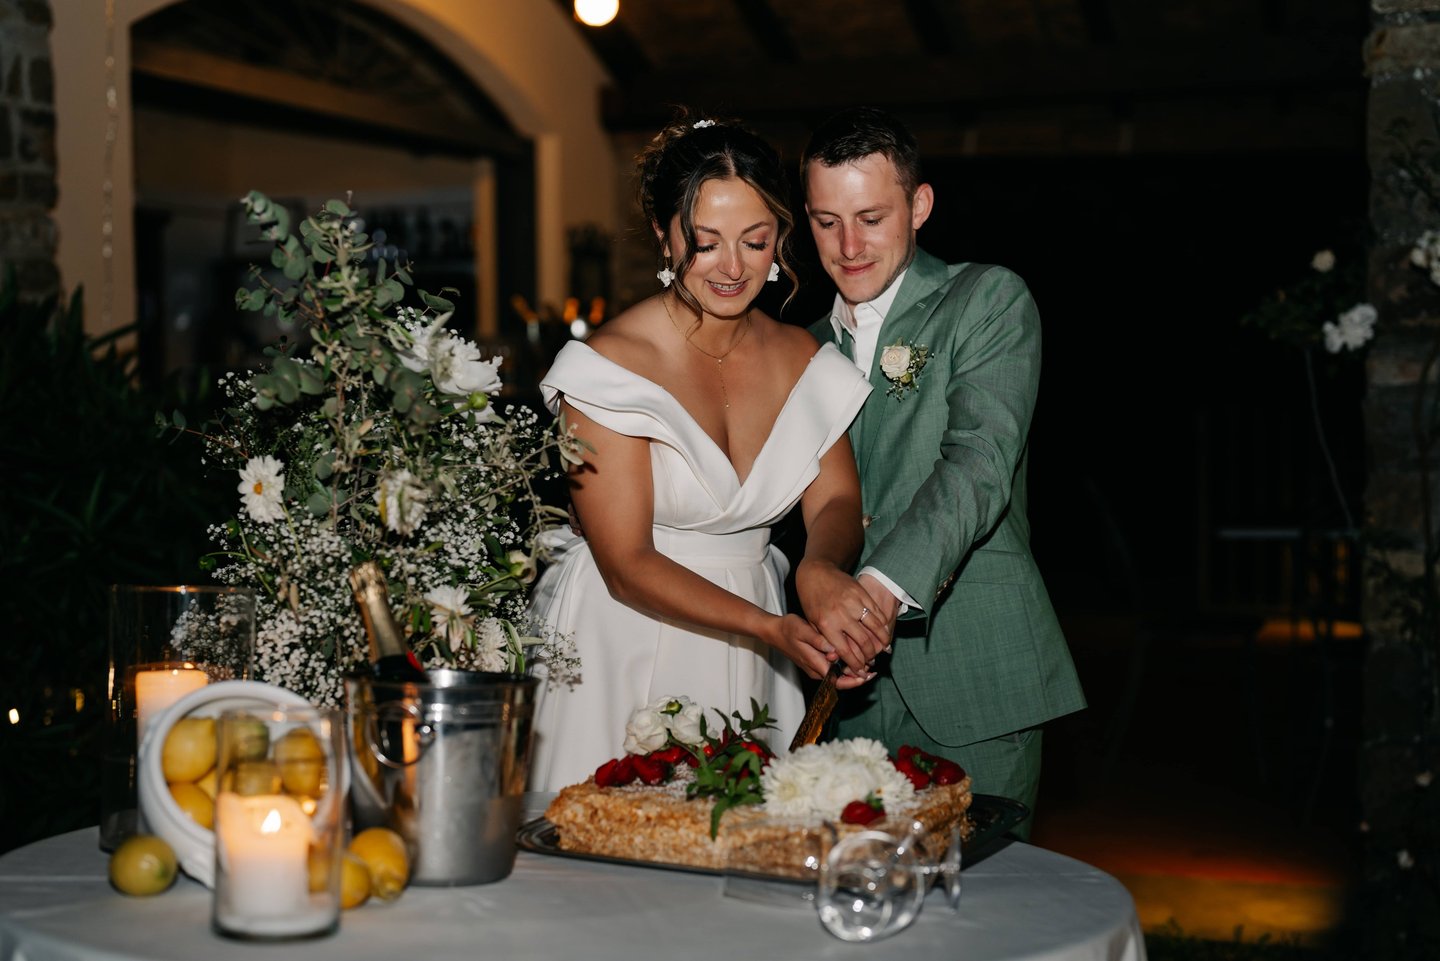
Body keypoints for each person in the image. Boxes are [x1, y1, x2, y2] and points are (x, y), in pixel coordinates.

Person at [526, 113, 888, 792]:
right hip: (626, 629)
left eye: (755, 241)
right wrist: (770, 627)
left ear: (780, 236)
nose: (732, 267)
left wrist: (818, 567)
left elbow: (837, 497)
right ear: (664, 235)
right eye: (705, 242)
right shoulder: (608, 366)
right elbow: (626, 564)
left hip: (762, 624)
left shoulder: (803, 356)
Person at [797, 106, 1085, 834]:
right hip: (842, 691)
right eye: (827, 222)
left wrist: (878, 589)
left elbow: (979, 463)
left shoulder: (985, 299)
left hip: (974, 669)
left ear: (919, 205)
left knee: (982, 896)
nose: (849, 246)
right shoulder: (801, 347)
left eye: (871, 218)